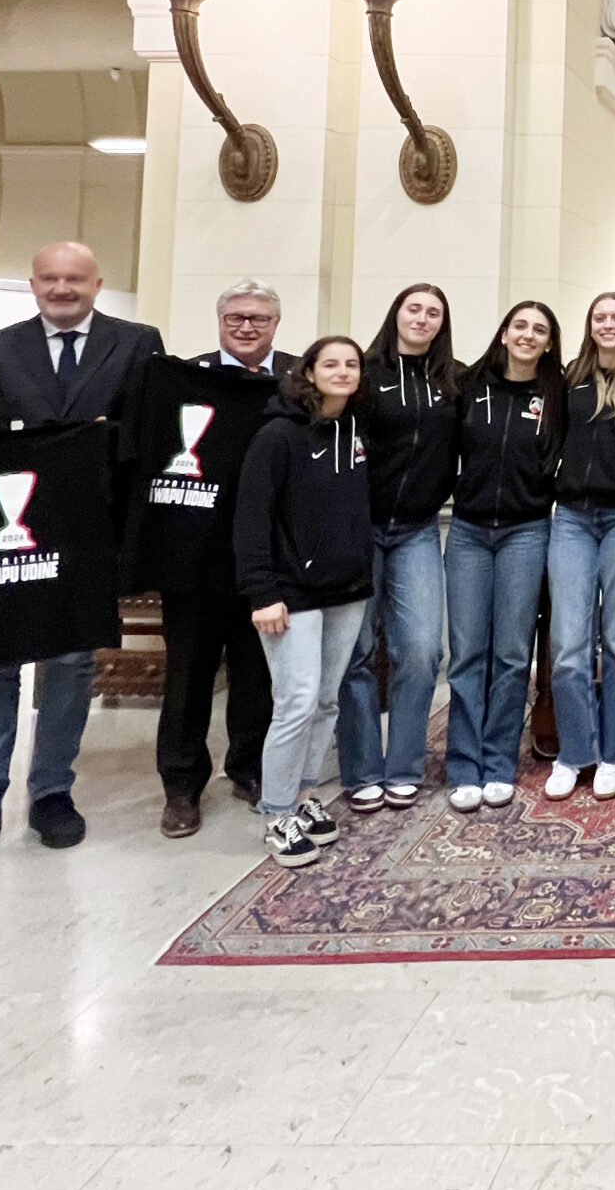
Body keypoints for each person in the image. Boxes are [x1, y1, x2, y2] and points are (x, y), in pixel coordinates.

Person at [0, 240, 163, 873]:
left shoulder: (138, 342)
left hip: (89, 528)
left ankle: (52, 792)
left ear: (97, 283)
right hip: (11, 526)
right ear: (33, 284)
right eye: (51, 279)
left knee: (68, 662)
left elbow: (145, 436)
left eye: (75, 279)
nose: (63, 289)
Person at [148, 279, 285, 839]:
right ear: (219, 320)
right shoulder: (184, 378)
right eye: (235, 317)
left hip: (267, 562)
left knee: (257, 675)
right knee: (187, 677)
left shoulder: (297, 378)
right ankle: (181, 787)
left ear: (277, 322)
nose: (246, 327)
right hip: (193, 558)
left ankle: (249, 769)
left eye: (258, 318)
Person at [234, 336, 375, 866]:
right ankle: (275, 812)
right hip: (291, 593)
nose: (342, 372)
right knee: (294, 701)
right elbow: (251, 518)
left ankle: (305, 794)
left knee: (326, 699)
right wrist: (262, 592)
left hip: (348, 588)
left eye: (352, 365)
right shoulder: (277, 435)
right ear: (309, 372)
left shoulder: (357, 431)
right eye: (331, 364)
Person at [443, 300, 565, 813]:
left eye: (539, 330)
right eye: (520, 326)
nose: (528, 335)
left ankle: (498, 762)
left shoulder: (556, 394)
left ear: (550, 342)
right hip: (469, 531)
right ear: (504, 332)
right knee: (469, 651)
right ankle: (463, 764)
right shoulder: (469, 385)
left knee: (513, 654)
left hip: (526, 530)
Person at [340, 283, 455, 815]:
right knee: (357, 651)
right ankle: (362, 768)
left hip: (416, 530)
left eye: (434, 313)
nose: (423, 319)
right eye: (415, 308)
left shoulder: (450, 382)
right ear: (396, 313)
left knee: (422, 649)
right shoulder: (362, 375)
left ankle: (404, 765)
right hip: (359, 528)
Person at [544, 292, 615, 802]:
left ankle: (614, 753)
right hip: (572, 521)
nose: (609, 324)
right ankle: (574, 752)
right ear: (589, 325)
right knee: (568, 645)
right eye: (600, 317)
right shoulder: (568, 376)